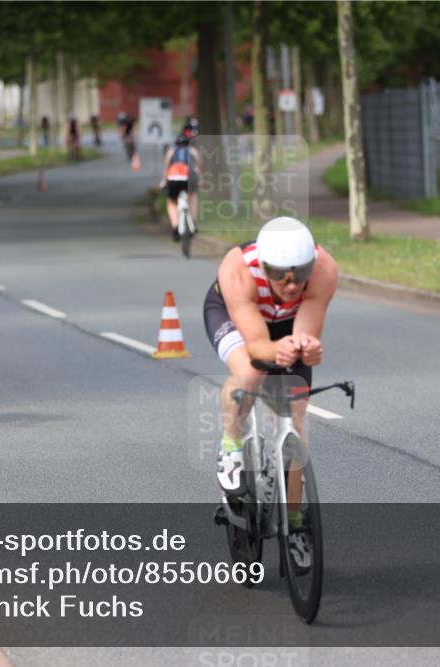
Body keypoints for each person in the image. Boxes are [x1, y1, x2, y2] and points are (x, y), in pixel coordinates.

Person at [203, 217, 338, 562]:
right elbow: (258, 346)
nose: (291, 284)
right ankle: (231, 448)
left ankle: (294, 522)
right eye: (280, 275)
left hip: (286, 321)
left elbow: (306, 331)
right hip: (236, 318)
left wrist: (307, 348)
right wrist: (275, 351)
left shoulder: (323, 270)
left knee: (294, 417)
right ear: (264, 266)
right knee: (249, 372)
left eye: (299, 273)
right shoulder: (238, 270)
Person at [158, 131, 201, 242]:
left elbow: (166, 169)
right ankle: (193, 223)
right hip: (189, 178)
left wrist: (163, 182)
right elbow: (198, 168)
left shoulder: (171, 152)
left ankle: (175, 225)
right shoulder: (193, 151)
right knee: (193, 198)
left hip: (174, 178)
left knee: (171, 202)